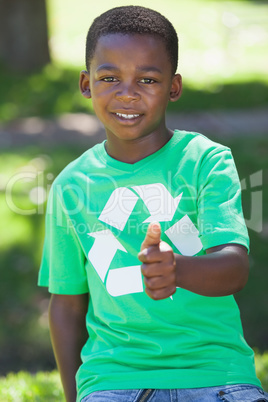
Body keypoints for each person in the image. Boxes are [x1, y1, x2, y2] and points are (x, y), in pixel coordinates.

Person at [38, 6, 268, 402]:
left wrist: (176, 268)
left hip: (217, 373)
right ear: (86, 83)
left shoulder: (205, 161)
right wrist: (77, 396)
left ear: (174, 87)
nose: (127, 93)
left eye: (147, 79)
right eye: (109, 78)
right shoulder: (71, 186)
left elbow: (234, 268)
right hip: (112, 378)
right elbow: (66, 304)